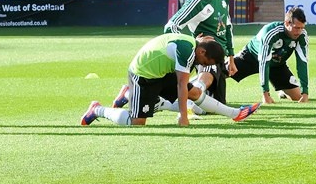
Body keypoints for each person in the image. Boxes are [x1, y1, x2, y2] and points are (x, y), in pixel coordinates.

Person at [81, 33, 260, 127]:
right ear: (202, 52)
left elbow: (184, 87)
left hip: (161, 72)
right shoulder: (187, 53)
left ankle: (235, 114)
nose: (203, 65)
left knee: (195, 92)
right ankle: (97, 110)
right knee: (137, 123)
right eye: (206, 62)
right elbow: (181, 85)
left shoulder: (195, 46)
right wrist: (183, 116)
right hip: (143, 75)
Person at [164, 0, 234, 103]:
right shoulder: (198, 1)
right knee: (202, 95)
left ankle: (182, 92)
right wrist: (192, 44)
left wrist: (231, 56)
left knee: (216, 104)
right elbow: (171, 26)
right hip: (205, 55)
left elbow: (227, 26)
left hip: (220, 56)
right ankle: (187, 101)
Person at [229, 7, 310, 104]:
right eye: (296, 28)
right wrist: (265, 94)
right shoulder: (271, 32)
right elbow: (264, 62)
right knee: (222, 70)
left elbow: (302, 61)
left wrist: (305, 93)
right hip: (251, 57)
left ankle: (281, 89)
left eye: (302, 28)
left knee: (298, 96)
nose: (299, 32)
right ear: (287, 23)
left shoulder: (302, 36)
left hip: (277, 65)